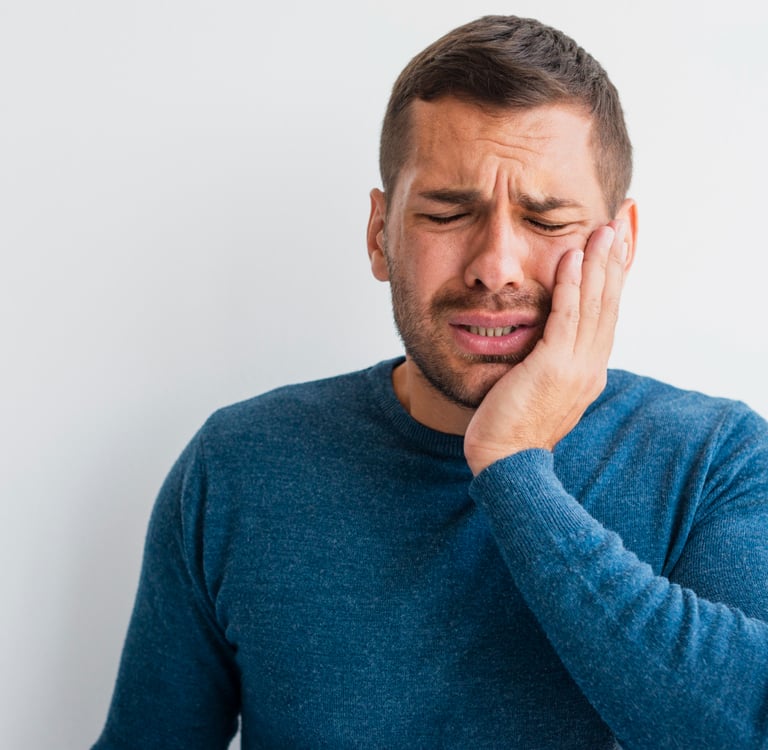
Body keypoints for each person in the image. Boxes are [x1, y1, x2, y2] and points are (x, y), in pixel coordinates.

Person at [92, 15, 768, 750]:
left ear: (621, 244)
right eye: (448, 213)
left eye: (546, 222)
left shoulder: (717, 459)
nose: (495, 267)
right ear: (379, 234)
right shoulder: (236, 465)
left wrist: (513, 468)